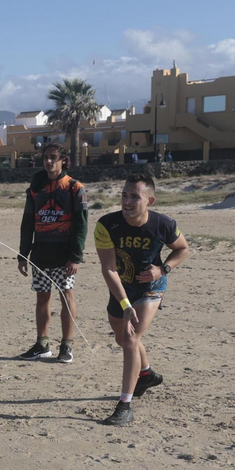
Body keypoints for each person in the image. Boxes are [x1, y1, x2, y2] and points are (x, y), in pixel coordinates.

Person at [94, 171, 190, 426]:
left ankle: (125, 405)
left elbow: (182, 249)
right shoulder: (107, 224)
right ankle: (145, 373)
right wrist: (125, 304)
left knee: (130, 338)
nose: (126, 201)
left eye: (134, 196)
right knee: (121, 338)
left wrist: (163, 269)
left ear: (150, 200)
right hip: (121, 288)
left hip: (151, 288)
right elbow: (109, 269)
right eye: (124, 195)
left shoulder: (163, 224)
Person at [16, 144, 87, 363]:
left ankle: (66, 346)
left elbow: (81, 225)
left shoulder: (75, 187)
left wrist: (75, 256)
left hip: (64, 255)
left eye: (53, 158)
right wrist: (23, 254)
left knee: (66, 297)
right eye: (46, 158)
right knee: (42, 299)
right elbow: (28, 222)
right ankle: (42, 344)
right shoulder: (36, 187)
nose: (49, 162)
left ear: (63, 160)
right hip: (41, 253)